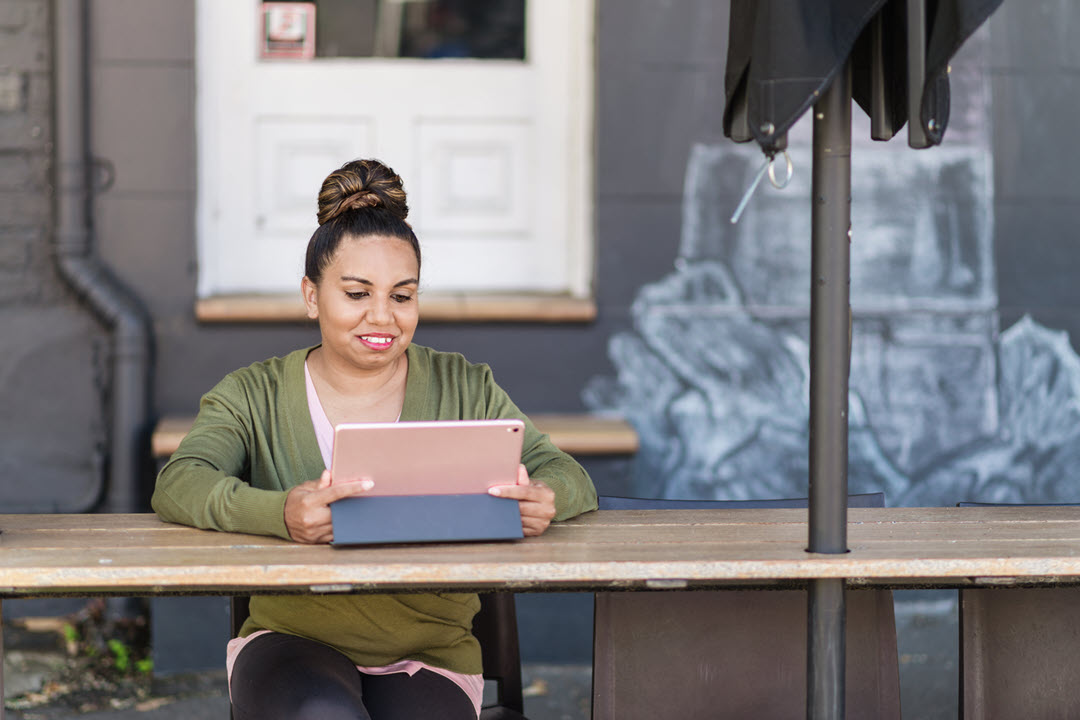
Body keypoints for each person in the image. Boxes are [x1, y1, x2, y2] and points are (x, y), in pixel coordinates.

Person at [151, 158, 598, 720]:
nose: (382, 317)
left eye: (402, 295)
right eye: (357, 293)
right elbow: (180, 482)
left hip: (430, 653)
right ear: (312, 296)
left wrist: (545, 500)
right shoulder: (253, 394)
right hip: (292, 638)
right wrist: (278, 512)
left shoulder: (463, 385)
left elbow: (566, 473)